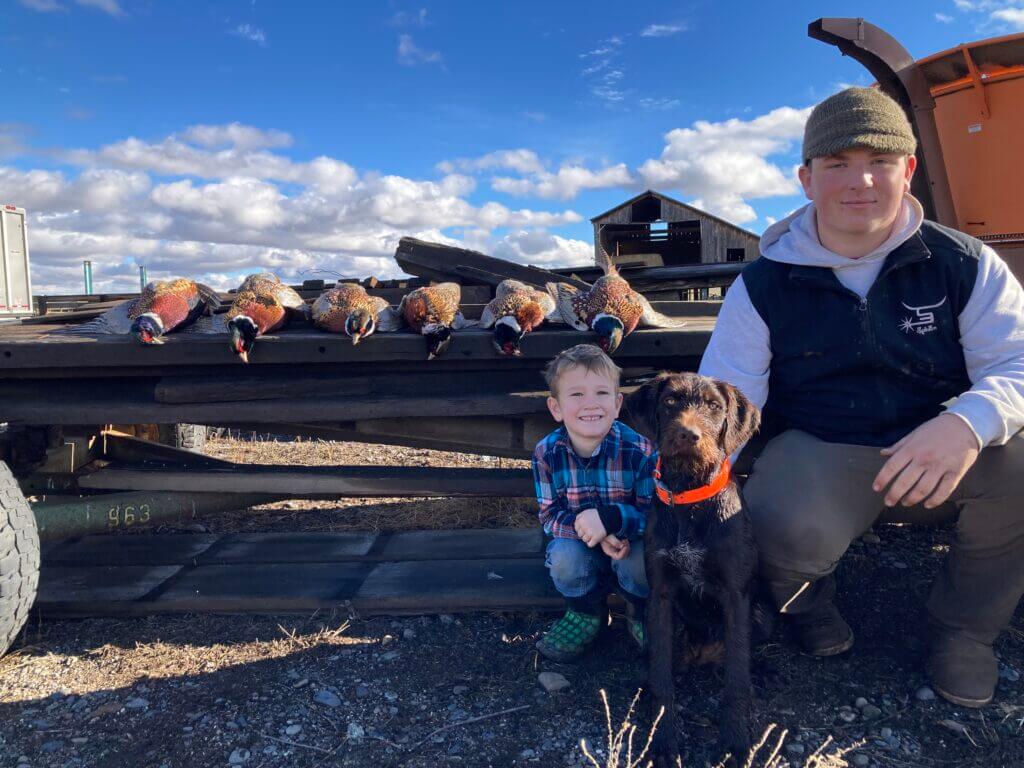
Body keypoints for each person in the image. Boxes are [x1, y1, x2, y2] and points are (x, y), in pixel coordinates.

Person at [699, 86, 1024, 708]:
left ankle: (964, 631)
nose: (861, 181)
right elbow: (728, 400)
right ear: (806, 179)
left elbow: (1016, 363)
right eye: (837, 164)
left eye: (879, 160)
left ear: (909, 169)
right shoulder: (764, 284)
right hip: (826, 451)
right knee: (771, 515)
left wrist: (966, 424)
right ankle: (804, 598)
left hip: (943, 450)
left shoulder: (964, 264)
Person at [532, 344, 656, 662]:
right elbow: (549, 514)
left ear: (616, 405)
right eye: (576, 395)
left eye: (601, 393)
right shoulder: (547, 452)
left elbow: (651, 512)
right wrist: (590, 530)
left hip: (629, 544)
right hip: (577, 543)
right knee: (563, 558)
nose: (590, 404)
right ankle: (586, 613)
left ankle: (639, 611)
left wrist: (612, 520)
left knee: (644, 562)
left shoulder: (640, 451)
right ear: (556, 407)